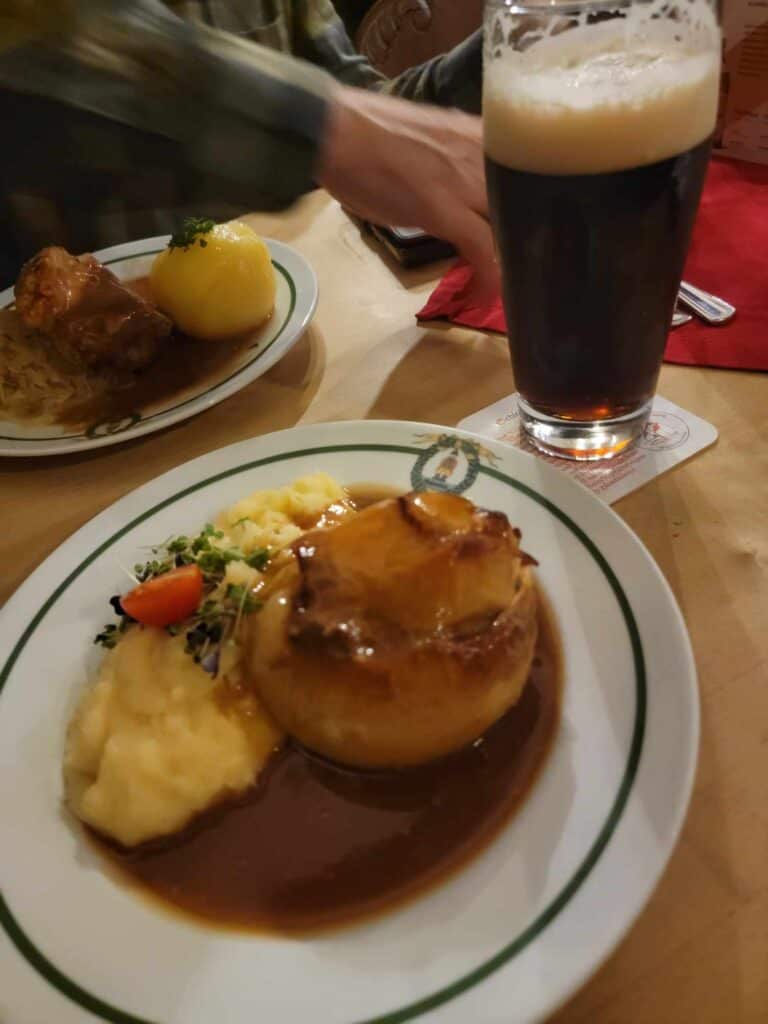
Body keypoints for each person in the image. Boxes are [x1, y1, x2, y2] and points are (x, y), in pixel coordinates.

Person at [0, 1, 494, 293]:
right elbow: (36, 62)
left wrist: (507, 47)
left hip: (267, 365)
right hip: (48, 423)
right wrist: (324, 125)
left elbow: (361, 107)